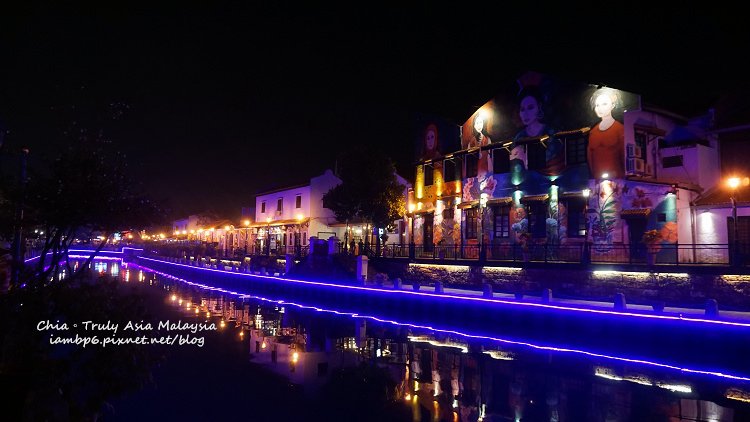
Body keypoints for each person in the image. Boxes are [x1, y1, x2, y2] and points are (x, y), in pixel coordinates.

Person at [511, 86, 563, 176]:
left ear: (539, 108)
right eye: (522, 109)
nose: (525, 113)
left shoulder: (550, 132)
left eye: (530, 107)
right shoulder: (519, 137)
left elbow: (551, 156)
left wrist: (525, 158)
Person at [587, 87, 625, 179]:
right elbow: (590, 159)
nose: (600, 108)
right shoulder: (593, 132)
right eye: (597, 105)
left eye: (604, 104)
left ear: (612, 105)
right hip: (597, 181)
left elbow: (624, 156)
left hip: (618, 180)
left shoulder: (619, 129)